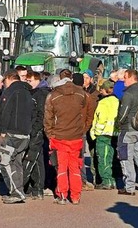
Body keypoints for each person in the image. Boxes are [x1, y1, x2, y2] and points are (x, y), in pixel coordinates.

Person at [44, 71, 94, 205]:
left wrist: (50, 134)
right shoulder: (81, 94)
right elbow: (87, 113)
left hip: (59, 136)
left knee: (61, 167)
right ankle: (76, 196)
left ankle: (62, 194)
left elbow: (48, 118)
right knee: (75, 167)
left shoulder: (53, 96)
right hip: (76, 136)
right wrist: (82, 129)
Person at [0, 70, 33, 204]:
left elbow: (5, 112)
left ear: (8, 79)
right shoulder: (28, 92)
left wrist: (2, 130)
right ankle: (19, 190)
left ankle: (16, 192)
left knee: (5, 161)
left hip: (12, 132)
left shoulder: (10, 91)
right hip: (25, 133)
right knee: (17, 163)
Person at [116, 69, 138, 196]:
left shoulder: (128, 94)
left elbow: (123, 114)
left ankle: (129, 187)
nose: (123, 80)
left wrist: (118, 124)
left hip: (128, 129)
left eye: (125, 77)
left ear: (132, 78)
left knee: (126, 157)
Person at [23, 71, 49, 199]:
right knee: (37, 159)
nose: (28, 83)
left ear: (37, 80)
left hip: (37, 130)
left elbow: (41, 115)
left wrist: (35, 129)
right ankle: (36, 188)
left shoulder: (41, 94)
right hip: (33, 129)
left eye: (30, 81)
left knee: (31, 158)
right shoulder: (33, 93)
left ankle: (24, 186)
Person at [91, 80, 119, 190]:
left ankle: (106, 181)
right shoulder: (117, 101)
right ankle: (111, 180)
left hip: (103, 133)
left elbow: (100, 118)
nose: (100, 90)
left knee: (103, 157)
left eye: (102, 89)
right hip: (114, 132)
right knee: (110, 157)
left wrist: (95, 132)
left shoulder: (103, 102)